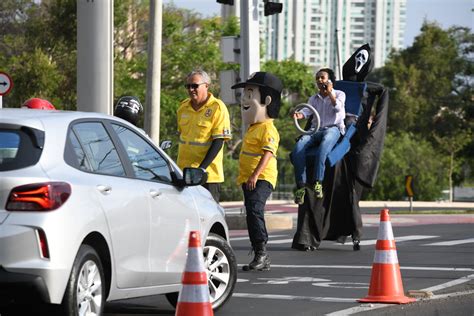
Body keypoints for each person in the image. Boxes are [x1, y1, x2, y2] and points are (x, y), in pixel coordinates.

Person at [231, 71, 283, 271]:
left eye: (249, 94)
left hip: (261, 177)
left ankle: (262, 253)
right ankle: (258, 253)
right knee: (251, 213)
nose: (244, 99)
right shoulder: (254, 127)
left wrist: (254, 175)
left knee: (255, 210)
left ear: (267, 100)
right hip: (248, 177)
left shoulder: (268, 129)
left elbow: (268, 154)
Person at [290, 68, 346, 204]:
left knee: (324, 146)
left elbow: (338, 108)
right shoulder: (313, 98)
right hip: (315, 130)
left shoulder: (340, 94)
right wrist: (299, 115)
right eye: (318, 78)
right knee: (298, 148)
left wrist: (330, 92)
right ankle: (301, 186)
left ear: (330, 81)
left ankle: (317, 182)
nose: (320, 81)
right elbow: (306, 111)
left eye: (322, 78)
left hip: (333, 128)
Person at [177, 70, 231, 202]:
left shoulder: (217, 108)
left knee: (208, 216)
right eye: (188, 86)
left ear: (206, 85)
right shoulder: (183, 107)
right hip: (185, 174)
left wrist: (201, 169)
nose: (191, 89)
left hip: (208, 176)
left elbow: (219, 141)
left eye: (195, 86)